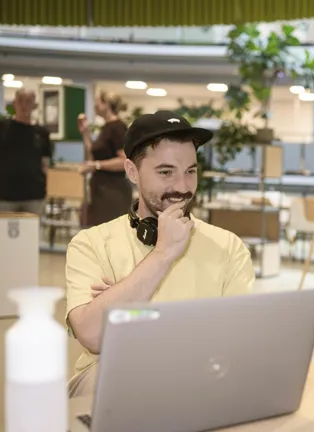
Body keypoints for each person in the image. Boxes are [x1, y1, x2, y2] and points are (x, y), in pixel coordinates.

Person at [64, 110, 255, 397]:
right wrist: (163, 253)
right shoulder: (90, 244)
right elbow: (92, 334)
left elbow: (237, 343)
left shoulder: (229, 247)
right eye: (166, 172)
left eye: (190, 171)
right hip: (111, 376)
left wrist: (121, 303)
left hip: (197, 377)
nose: (182, 187)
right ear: (132, 172)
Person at [0, 89, 52, 214]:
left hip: (34, 195)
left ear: (34, 105)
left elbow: (45, 164)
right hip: (5, 195)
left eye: (28, 101)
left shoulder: (42, 133)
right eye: (20, 101)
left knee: (33, 227)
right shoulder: (0, 127)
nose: (24, 105)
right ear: (14, 103)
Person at [78, 91, 131, 226]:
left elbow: (124, 161)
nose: (95, 105)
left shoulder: (118, 128)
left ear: (106, 104)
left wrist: (97, 165)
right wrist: (85, 134)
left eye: (97, 102)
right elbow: (92, 155)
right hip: (101, 189)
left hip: (113, 190)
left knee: (110, 231)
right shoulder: (106, 128)